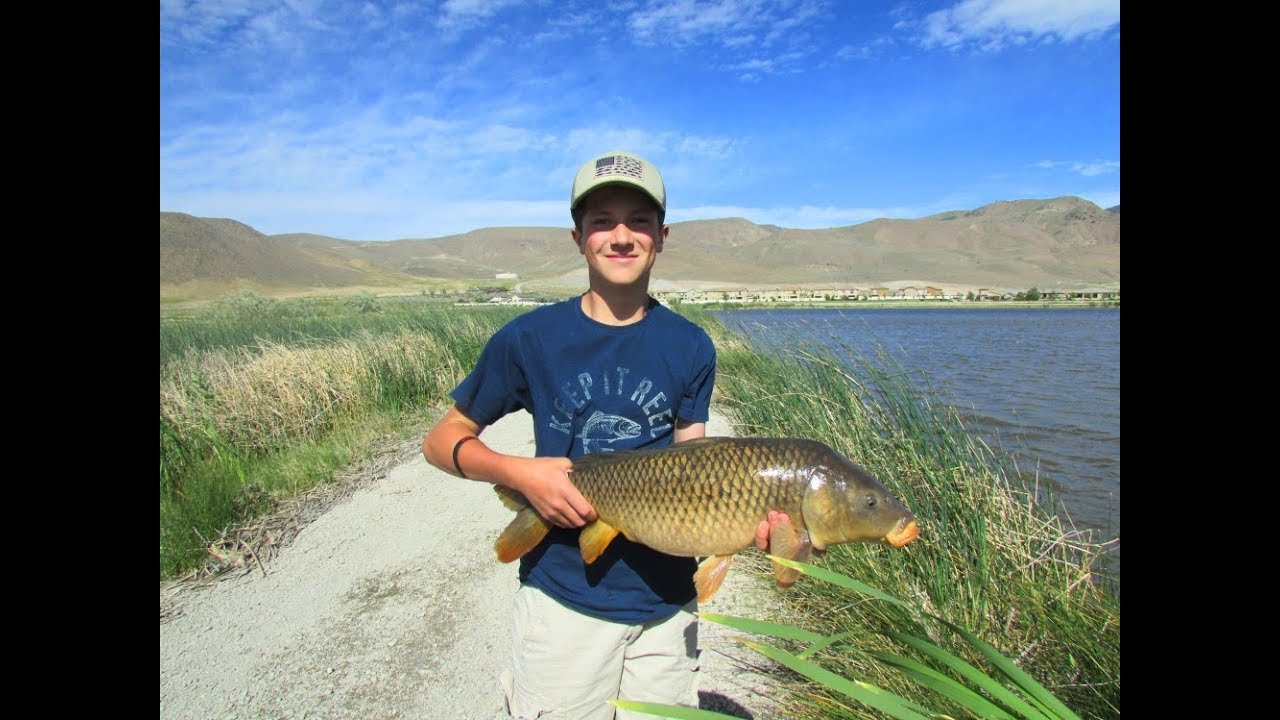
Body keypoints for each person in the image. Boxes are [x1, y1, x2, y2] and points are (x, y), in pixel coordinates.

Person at [422, 150, 778, 719]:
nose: (621, 236)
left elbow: (696, 464)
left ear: (662, 237)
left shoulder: (691, 346)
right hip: (564, 598)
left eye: (638, 221)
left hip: (667, 602)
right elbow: (442, 440)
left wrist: (746, 522)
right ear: (578, 237)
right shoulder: (529, 338)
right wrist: (518, 473)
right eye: (602, 221)